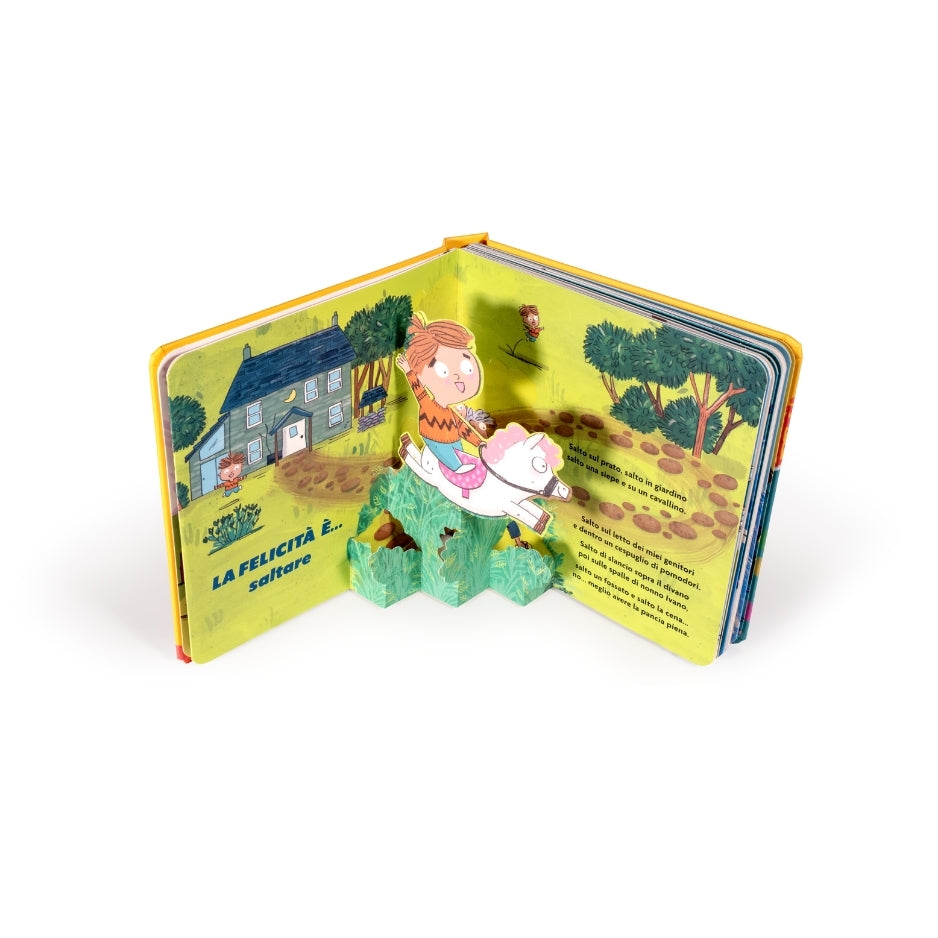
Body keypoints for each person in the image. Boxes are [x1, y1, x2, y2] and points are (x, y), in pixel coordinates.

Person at [396, 314, 488, 473]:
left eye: (467, 368)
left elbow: (462, 429)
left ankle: (458, 468)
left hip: (452, 440)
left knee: (463, 457)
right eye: (443, 371)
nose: (458, 377)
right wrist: (408, 371)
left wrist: (478, 442)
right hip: (435, 439)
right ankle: (448, 467)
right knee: (456, 465)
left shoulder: (450, 413)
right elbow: (418, 390)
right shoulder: (427, 404)